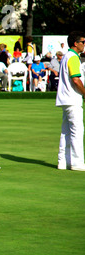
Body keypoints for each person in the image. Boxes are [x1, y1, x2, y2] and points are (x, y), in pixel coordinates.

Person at [56, 31, 85, 171]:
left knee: (66, 131)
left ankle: (63, 161)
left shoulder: (66, 56)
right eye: (83, 42)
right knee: (77, 131)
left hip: (65, 98)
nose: (84, 45)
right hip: (72, 98)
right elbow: (76, 79)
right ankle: (77, 163)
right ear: (76, 43)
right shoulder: (73, 57)